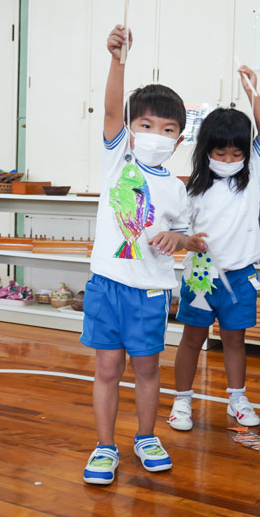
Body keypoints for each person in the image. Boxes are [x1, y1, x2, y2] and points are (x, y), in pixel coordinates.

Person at [81, 24, 192, 485]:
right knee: (108, 368)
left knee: (147, 368)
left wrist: (177, 241)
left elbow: (185, 236)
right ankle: (105, 446)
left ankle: (145, 436)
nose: (155, 134)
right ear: (130, 130)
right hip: (107, 282)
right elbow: (111, 106)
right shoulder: (117, 161)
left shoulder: (176, 187)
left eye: (167, 129)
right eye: (145, 125)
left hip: (150, 289)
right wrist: (117, 59)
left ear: (179, 140)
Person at [168, 65, 260, 431]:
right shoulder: (194, 189)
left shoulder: (252, 176)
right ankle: (182, 401)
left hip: (241, 276)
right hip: (200, 276)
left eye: (235, 154)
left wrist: (253, 93)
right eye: (221, 153)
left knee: (234, 340)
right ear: (207, 151)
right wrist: (188, 243)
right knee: (191, 339)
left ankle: (237, 398)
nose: (229, 161)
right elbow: (181, 233)